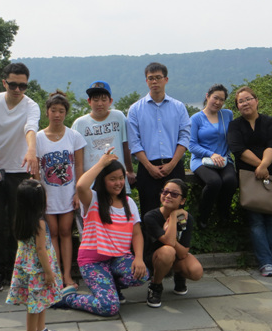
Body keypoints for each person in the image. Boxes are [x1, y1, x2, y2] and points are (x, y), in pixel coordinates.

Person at [59, 149, 149, 316]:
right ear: (103, 180)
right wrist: (101, 163)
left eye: (121, 178)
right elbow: (81, 185)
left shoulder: (129, 203)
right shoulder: (92, 199)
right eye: (112, 179)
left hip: (117, 259)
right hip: (93, 262)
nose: (118, 183)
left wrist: (138, 258)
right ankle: (68, 298)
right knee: (109, 307)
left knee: (140, 274)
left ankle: (111, 287)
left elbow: (137, 234)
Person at [0, 62, 41, 292]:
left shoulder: (31, 105)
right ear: (4, 82)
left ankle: (18, 271)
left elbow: (30, 128)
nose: (17, 90)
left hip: (19, 170)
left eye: (22, 86)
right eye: (13, 84)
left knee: (19, 223)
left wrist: (31, 150)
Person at [227, 87, 272, 277]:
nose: (245, 103)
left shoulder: (269, 121)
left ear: (256, 100)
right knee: (256, 221)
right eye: (241, 101)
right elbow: (238, 149)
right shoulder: (235, 125)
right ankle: (265, 262)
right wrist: (260, 166)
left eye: (248, 99)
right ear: (237, 106)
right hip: (249, 178)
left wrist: (264, 166)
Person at [36, 90, 86, 292]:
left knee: (66, 232)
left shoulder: (74, 136)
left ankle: (67, 275)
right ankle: (55, 275)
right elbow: (35, 170)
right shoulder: (38, 138)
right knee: (53, 233)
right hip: (48, 194)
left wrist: (78, 192)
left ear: (66, 113)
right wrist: (39, 194)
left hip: (67, 193)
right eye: (54, 110)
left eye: (61, 111)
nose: (57, 114)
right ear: (47, 112)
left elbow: (79, 166)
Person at [127, 62, 191, 217]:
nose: (154, 81)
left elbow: (185, 137)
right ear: (146, 81)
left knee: (177, 212)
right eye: (150, 78)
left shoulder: (178, 107)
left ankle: (177, 235)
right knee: (149, 213)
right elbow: (134, 142)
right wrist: (149, 167)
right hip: (147, 166)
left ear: (166, 80)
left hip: (173, 164)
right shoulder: (135, 109)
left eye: (158, 77)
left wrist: (172, 164)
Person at [6, 179, 62, 331]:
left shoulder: (21, 219)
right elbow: (40, 249)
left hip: (26, 266)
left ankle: (41, 329)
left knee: (40, 300)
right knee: (35, 305)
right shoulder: (39, 223)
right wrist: (48, 272)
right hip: (38, 269)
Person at [143, 179, 203, 308]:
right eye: (165, 192)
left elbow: (183, 253)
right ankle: (155, 286)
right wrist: (174, 217)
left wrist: (175, 217)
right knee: (168, 251)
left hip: (175, 257)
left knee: (196, 271)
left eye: (174, 194)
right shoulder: (151, 217)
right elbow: (169, 243)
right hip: (153, 259)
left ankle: (179, 275)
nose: (168, 196)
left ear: (182, 201)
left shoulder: (185, 218)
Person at [71, 80, 136, 195]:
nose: (100, 103)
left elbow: (126, 145)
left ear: (110, 101)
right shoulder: (80, 124)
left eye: (104, 100)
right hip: (91, 184)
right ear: (89, 101)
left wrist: (130, 170)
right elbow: (77, 158)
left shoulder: (118, 117)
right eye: (95, 100)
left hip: (117, 181)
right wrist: (79, 186)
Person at [189, 84, 237, 229]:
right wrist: (211, 154)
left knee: (230, 181)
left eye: (221, 100)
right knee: (214, 182)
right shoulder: (196, 118)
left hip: (223, 159)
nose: (218, 102)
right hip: (201, 160)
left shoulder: (227, 115)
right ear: (207, 96)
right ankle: (203, 218)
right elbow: (192, 145)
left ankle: (223, 217)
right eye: (215, 98)